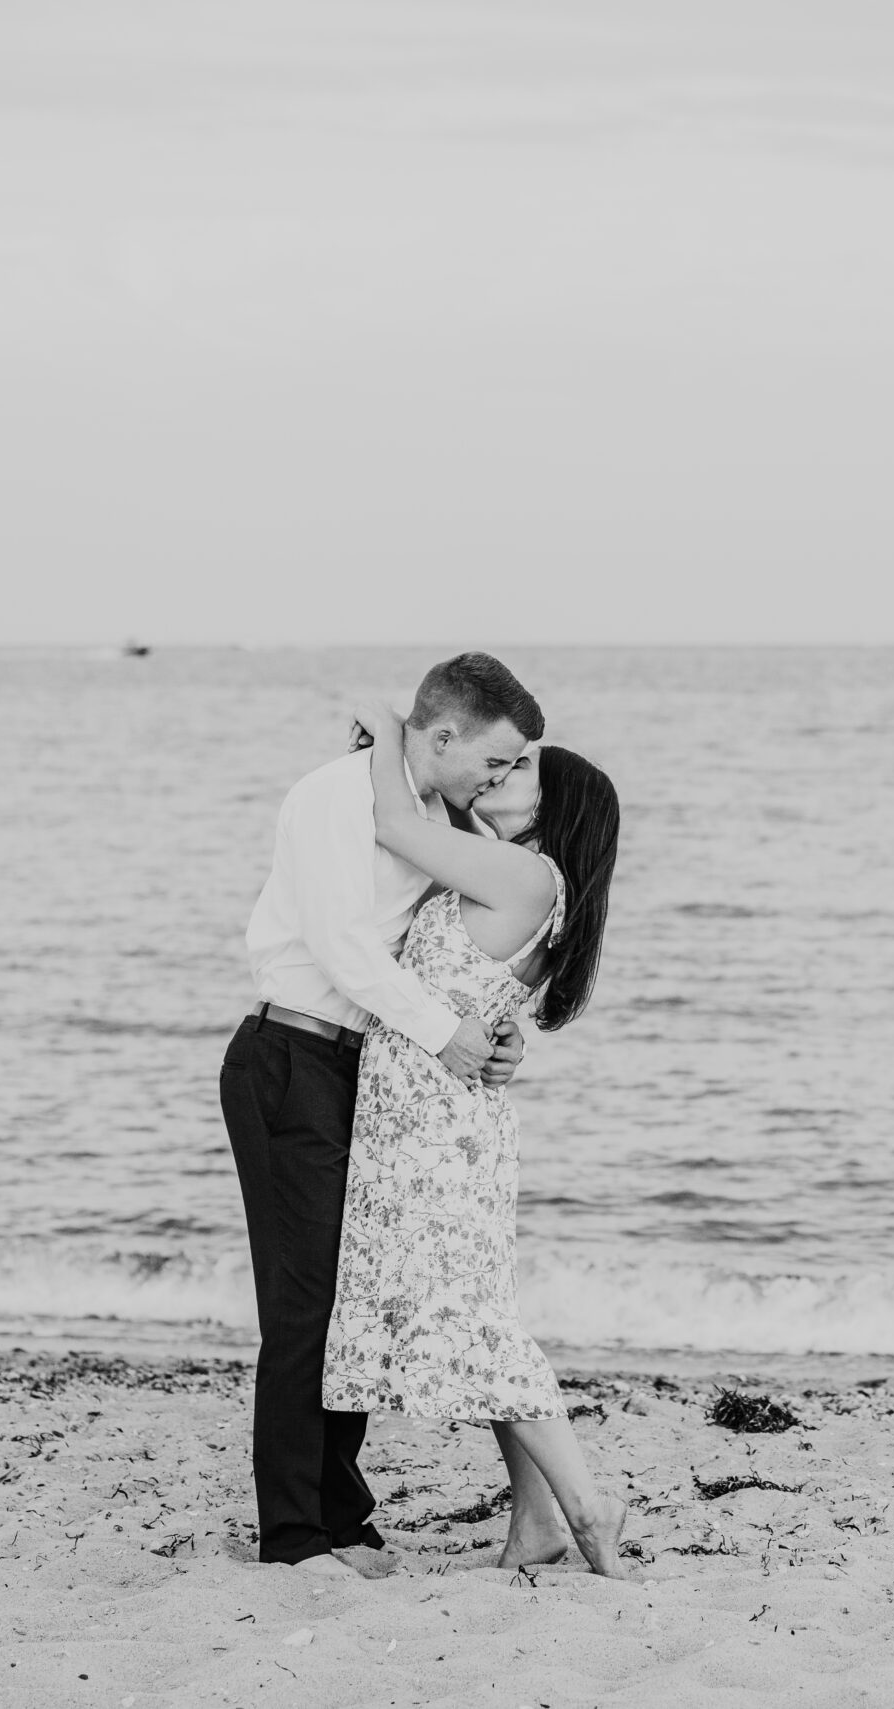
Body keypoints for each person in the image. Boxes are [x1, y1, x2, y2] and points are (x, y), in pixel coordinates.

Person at [220, 652, 541, 1577]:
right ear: (442, 735)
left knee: (351, 1300)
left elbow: (447, 950)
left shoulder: (439, 815)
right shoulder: (335, 793)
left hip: (362, 1064)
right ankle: (292, 1537)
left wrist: (493, 1034)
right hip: (291, 1055)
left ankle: (342, 1518)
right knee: (303, 1307)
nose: (502, 776)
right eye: (495, 757)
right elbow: (340, 943)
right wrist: (447, 1034)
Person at [322, 698, 631, 1577]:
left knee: (476, 1325)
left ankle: (586, 1503)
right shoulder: (523, 875)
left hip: (434, 1127)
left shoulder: (525, 879)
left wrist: (393, 730)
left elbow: (390, 818)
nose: (498, 773)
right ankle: (536, 1522)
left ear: (554, 807)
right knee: (479, 1315)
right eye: (497, 762)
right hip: (440, 1118)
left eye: (521, 770)